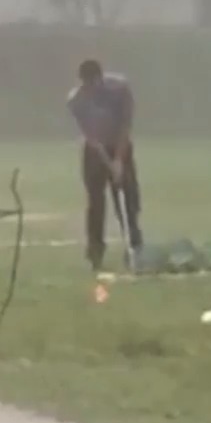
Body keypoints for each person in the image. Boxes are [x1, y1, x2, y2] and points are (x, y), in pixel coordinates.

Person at [66, 58, 143, 270]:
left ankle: (135, 247)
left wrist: (118, 160)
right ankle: (95, 251)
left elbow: (125, 127)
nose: (90, 89)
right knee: (95, 202)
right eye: (86, 85)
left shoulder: (120, 89)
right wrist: (106, 161)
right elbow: (90, 135)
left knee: (128, 199)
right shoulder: (76, 100)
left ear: (100, 79)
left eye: (93, 85)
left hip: (120, 145)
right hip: (94, 153)